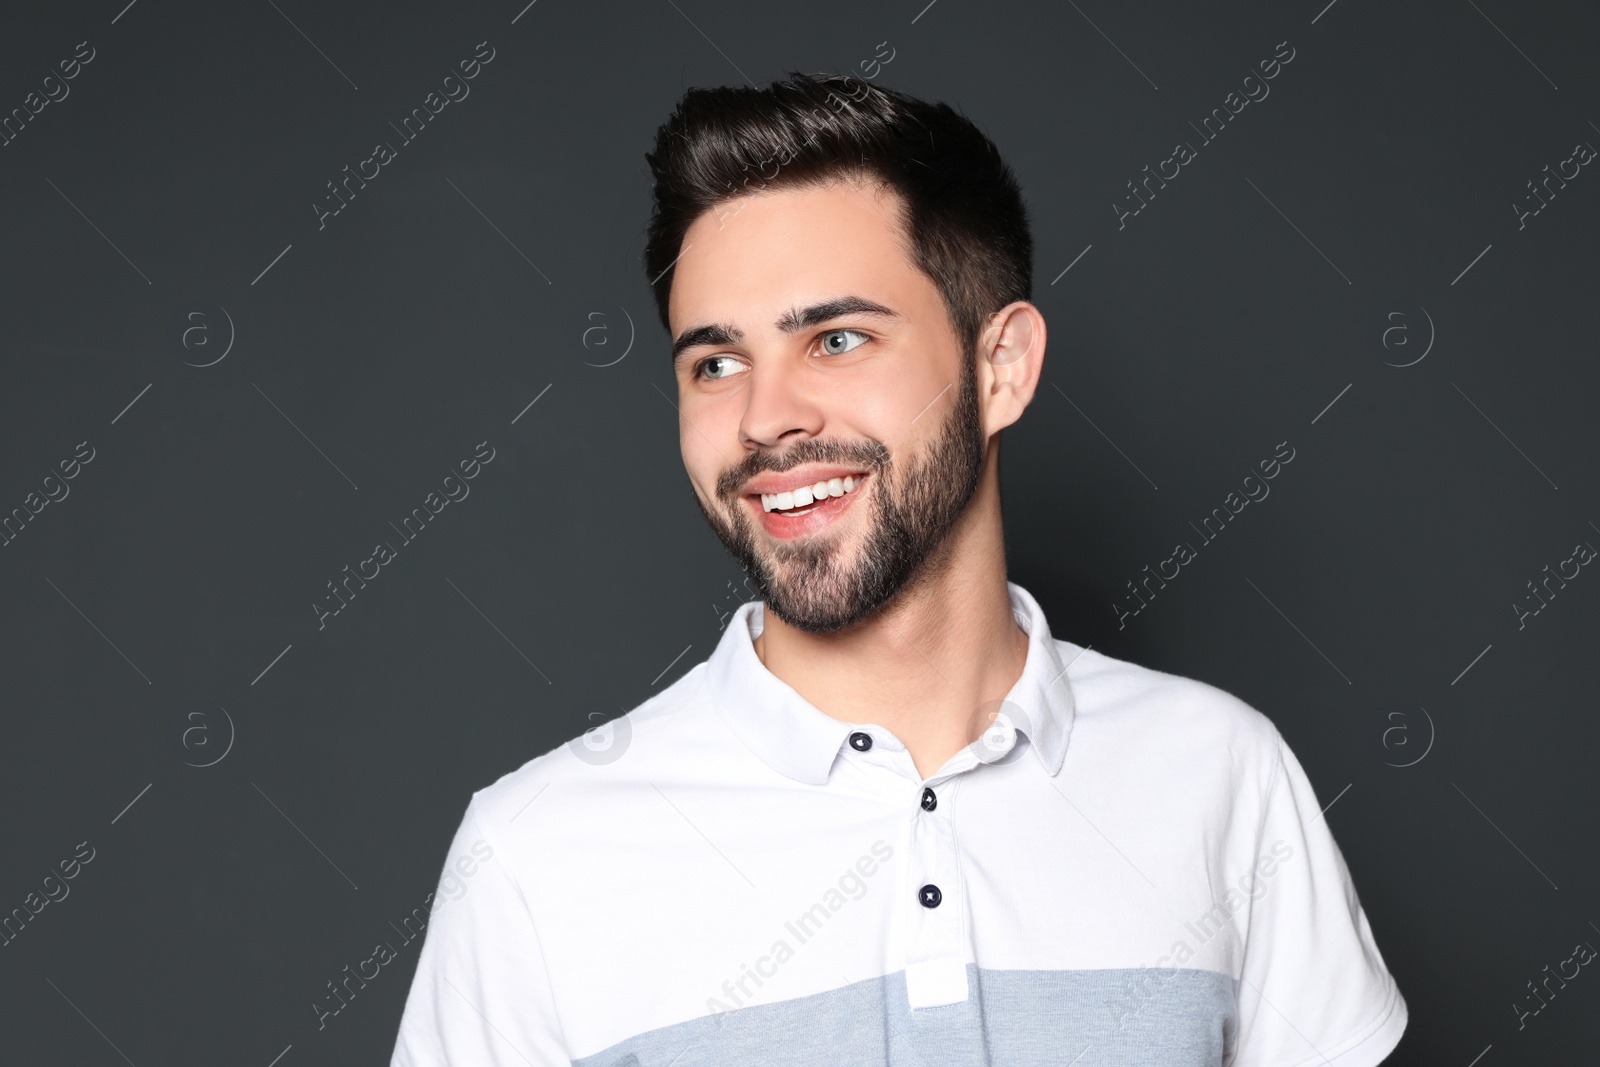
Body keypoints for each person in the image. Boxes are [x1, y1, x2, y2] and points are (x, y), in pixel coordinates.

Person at [391, 71, 1407, 1066]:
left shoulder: (1220, 772)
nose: (764, 417)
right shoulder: (534, 855)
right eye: (716, 361)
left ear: (999, 366)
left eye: (835, 339)